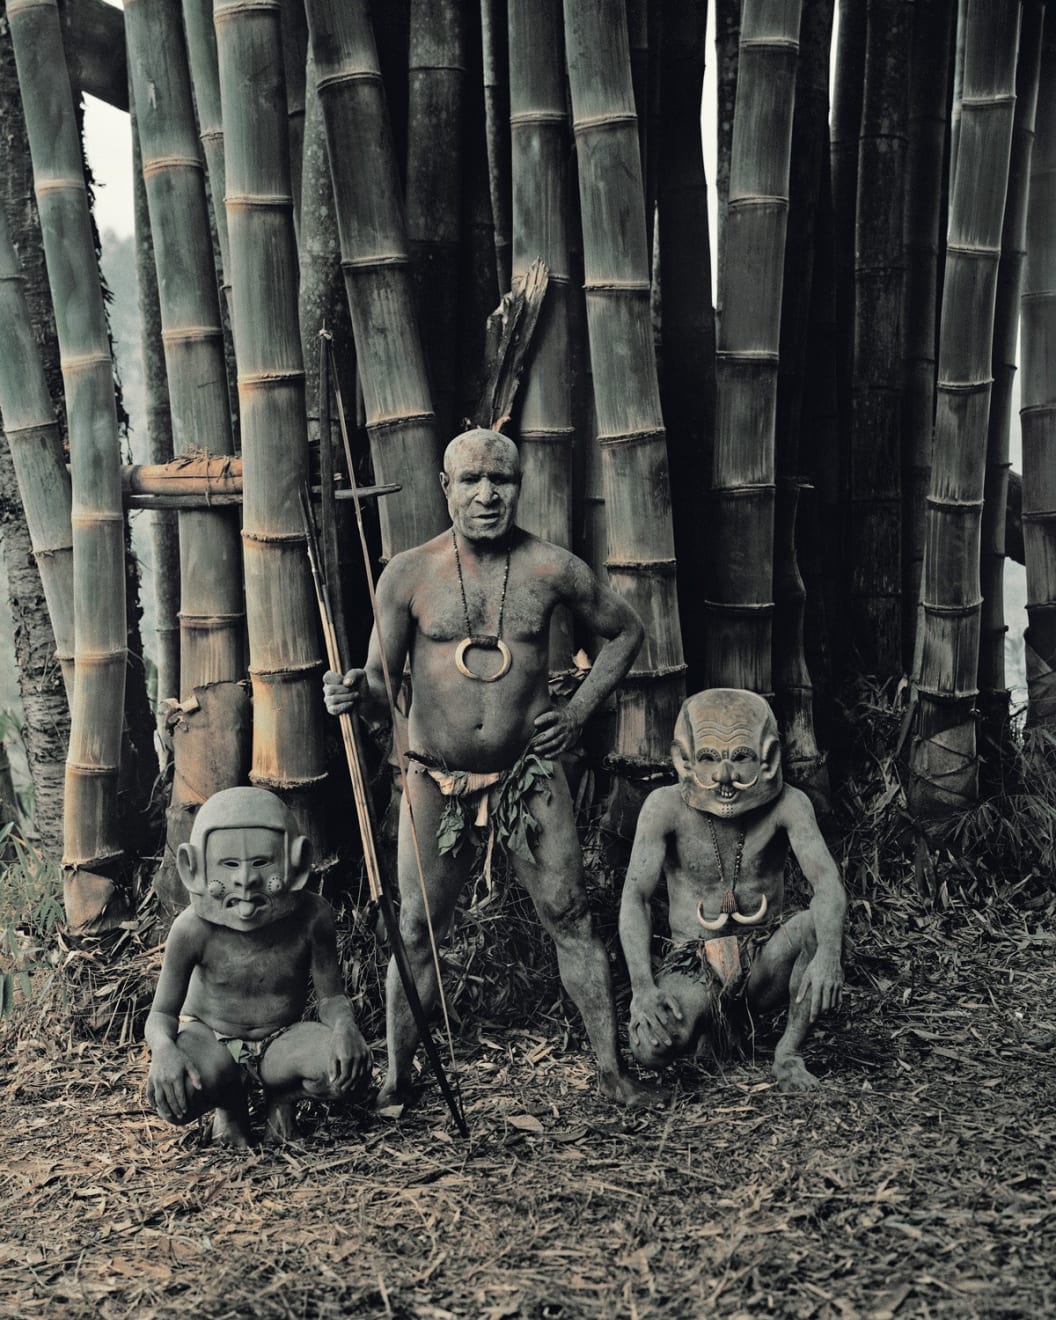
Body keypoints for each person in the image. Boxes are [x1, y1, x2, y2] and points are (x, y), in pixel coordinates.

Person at [324, 426, 658, 1109]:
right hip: (433, 775)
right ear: (445, 489)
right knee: (416, 928)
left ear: (518, 487)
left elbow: (626, 631)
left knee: (569, 914)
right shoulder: (408, 575)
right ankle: (396, 1079)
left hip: (528, 776)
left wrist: (578, 712)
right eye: (470, 480)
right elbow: (385, 692)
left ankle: (611, 1072)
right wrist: (351, 692)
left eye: (499, 480)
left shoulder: (551, 568)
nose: (486, 494)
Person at [619, 688, 846, 1090]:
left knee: (815, 927)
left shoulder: (790, 805)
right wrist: (643, 987)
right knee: (648, 1048)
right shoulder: (663, 807)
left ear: (769, 758)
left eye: (740, 757)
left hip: (763, 962)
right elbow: (635, 898)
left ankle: (788, 1054)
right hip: (695, 964)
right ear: (684, 760)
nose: (724, 778)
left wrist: (829, 953)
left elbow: (826, 883)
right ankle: (712, 1023)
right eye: (708, 758)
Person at [144, 787, 372, 1145]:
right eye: (230, 864)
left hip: (280, 1042)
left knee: (345, 1069)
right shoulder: (192, 929)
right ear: (194, 869)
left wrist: (345, 1027)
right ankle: (229, 1105)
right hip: (210, 1042)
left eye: (262, 863)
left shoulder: (313, 918)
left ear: (295, 863)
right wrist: (164, 1051)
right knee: (177, 1095)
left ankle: (281, 1099)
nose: (246, 880)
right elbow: (161, 1015)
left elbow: (330, 998)